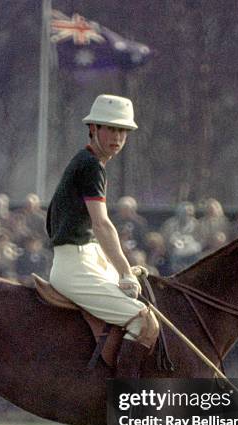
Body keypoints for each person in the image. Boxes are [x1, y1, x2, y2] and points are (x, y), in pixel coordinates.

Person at [46, 94, 158, 378]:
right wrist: (124, 272)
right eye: (110, 128)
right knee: (144, 323)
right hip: (75, 268)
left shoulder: (87, 161)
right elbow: (102, 225)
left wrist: (120, 269)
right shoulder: (91, 166)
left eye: (123, 131)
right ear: (93, 129)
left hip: (87, 259)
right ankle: (126, 408)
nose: (117, 137)